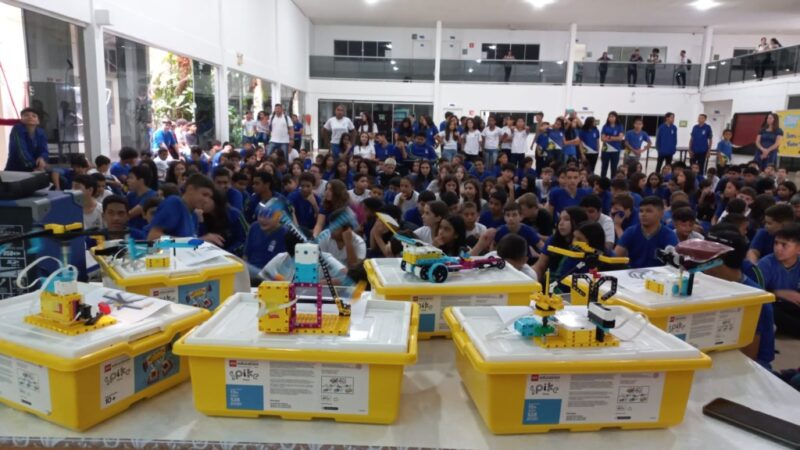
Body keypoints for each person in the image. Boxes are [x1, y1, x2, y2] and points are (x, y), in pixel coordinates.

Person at [703, 225, 774, 369]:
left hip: (748, 366)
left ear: (716, 260)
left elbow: (748, 358)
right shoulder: (707, 283)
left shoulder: (754, 300)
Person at [756, 224, 800, 338]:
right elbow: (755, 293)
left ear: (798, 249)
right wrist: (777, 292)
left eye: (784, 245)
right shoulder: (765, 264)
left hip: (792, 304)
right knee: (770, 311)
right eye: (776, 243)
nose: (778, 248)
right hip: (772, 303)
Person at [614, 196, 678, 268]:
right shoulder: (630, 232)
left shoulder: (669, 235)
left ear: (661, 213)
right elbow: (615, 258)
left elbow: (674, 265)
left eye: (648, 211)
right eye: (641, 211)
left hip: (660, 276)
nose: (643, 214)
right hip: (633, 275)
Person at [147, 173, 215, 240]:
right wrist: (200, 241)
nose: (207, 200)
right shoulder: (174, 203)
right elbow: (153, 237)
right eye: (204, 195)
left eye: (209, 197)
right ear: (190, 189)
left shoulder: (194, 216)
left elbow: (188, 245)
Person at [5, 107, 48, 174]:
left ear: (38, 121)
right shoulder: (17, 129)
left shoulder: (41, 132)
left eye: (34, 116)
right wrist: (35, 166)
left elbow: (44, 150)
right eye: (26, 115)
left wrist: (42, 158)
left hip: (35, 170)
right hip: (15, 171)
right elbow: (21, 152)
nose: (30, 117)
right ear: (21, 120)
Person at [126, 165, 157, 231]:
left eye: (131, 178)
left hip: (145, 233)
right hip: (130, 231)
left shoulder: (152, 195)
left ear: (141, 181)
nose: (127, 180)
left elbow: (131, 214)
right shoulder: (130, 195)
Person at [600, 111, 625, 178]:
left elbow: (620, 138)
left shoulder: (620, 126)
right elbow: (602, 139)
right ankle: (602, 182)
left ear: (616, 117)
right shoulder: (605, 126)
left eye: (612, 116)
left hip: (616, 149)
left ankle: (613, 182)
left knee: (614, 168)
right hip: (605, 149)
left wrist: (609, 137)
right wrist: (614, 138)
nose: (611, 118)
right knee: (604, 167)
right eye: (609, 116)